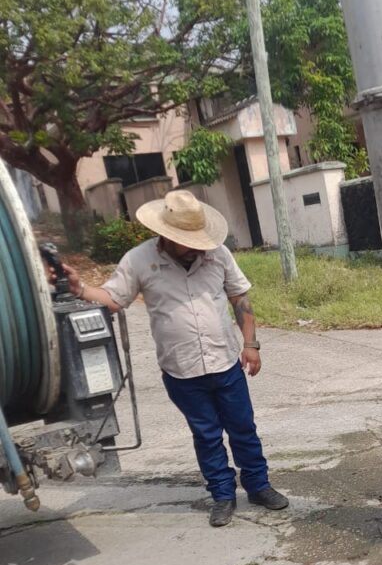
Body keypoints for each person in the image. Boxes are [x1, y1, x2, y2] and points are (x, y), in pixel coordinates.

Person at [62, 189, 288, 528]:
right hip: (181, 371)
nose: (196, 246)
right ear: (166, 235)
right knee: (207, 435)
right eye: (187, 240)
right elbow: (113, 299)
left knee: (243, 428)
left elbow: (240, 298)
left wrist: (251, 344)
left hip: (226, 363)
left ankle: (258, 486)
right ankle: (223, 496)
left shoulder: (218, 254)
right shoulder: (139, 260)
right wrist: (79, 289)